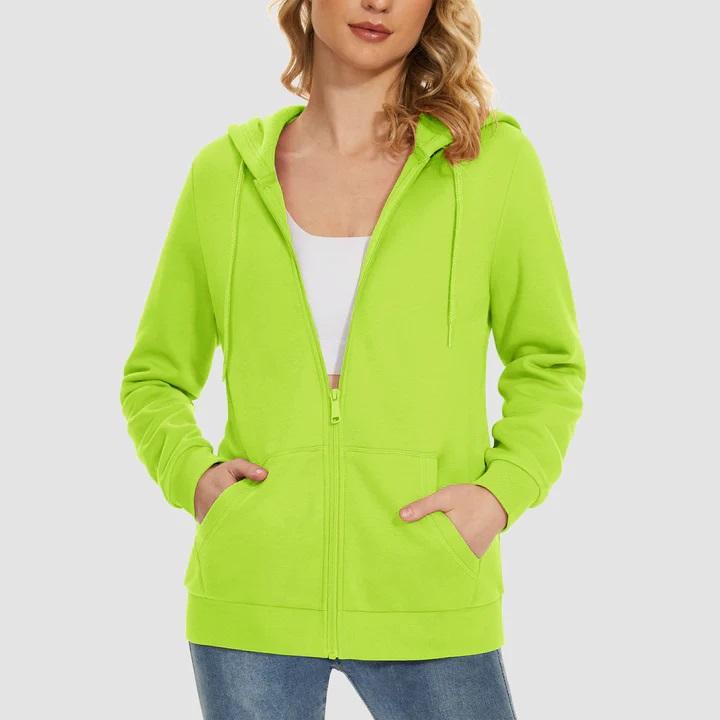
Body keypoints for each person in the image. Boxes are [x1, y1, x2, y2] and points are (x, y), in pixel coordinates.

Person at [119, 1, 586, 717]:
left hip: (428, 583)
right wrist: (196, 479)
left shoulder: (490, 164)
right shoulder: (225, 175)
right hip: (252, 597)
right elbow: (153, 376)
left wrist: (500, 496)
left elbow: (549, 363)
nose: (379, 3)